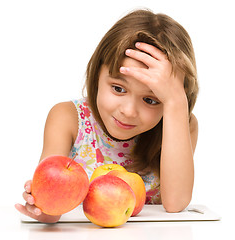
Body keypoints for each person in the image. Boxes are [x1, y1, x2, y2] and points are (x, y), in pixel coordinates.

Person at [15, 9, 199, 223]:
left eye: (151, 100)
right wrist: (44, 210)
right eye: (118, 89)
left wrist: (176, 104)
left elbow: (176, 203)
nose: (128, 111)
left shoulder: (180, 123)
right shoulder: (68, 118)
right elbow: (50, 204)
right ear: (97, 76)